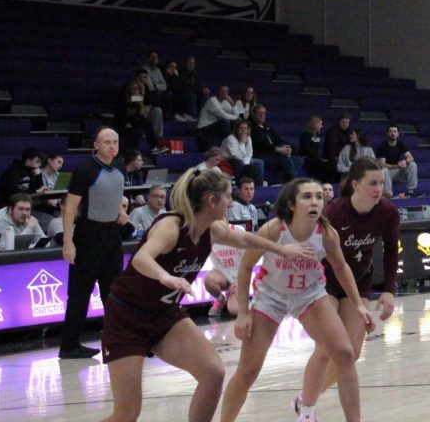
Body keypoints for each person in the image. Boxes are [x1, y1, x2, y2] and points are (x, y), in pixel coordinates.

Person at [98, 168, 314, 422]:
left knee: (213, 373)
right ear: (212, 200)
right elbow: (143, 258)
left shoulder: (213, 230)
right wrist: (165, 276)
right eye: (227, 196)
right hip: (127, 318)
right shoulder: (171, 227)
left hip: (164, 315)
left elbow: (244, 239)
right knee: (127, 414)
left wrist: (281, 249)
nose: (231, 202)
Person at [219, 179, 371, 422]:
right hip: (271, 298)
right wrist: (243, 313)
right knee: (247, 371)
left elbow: (341, 267)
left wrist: (358, 304)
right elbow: (246, 266)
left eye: (319, 197)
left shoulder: (327, 234)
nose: (315, 202)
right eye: (307, 197)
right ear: (291, 204)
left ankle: (324, 415)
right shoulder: (274, 229)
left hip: (309, 295)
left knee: (344, 353)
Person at [296, 157, 400, 422]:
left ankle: (306, 397)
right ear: (355, 184)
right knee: (326, 345)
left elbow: (390, 251)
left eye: (381, 183)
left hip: (359, 283)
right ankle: (307, 412)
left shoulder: (388, 212)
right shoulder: (334, 212)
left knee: (350, 353)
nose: (379, 188)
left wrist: (388, 290)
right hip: (325, 282)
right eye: (372, 183)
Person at [59, 128, 128, 359]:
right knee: (81, 293)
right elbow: (69, 209)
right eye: (107, 142)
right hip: (88, 235)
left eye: (115, 142)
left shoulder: (119, 167)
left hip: (112, 235)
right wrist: (68, 243)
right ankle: (69, 345)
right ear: (96, 145)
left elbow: (114, 192)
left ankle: (115, 339)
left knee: (114, 291)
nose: (112, 146)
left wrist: (120, 211)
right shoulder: (85, 170)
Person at [250, 105, 296, 183]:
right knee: (283, 159)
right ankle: (291, 183)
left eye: (263, 113)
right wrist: (278, 150)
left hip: (273, 153)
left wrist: (288, 147)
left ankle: (289, 181)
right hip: (261, 154)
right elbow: (262, 144)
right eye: (259, 113)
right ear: (254, 114)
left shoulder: (267, 127)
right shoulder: (252, 128)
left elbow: (278, 139)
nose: (262, 115)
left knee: (293, 152)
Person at [375, 124, 419, 197]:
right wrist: (397, 165)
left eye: (395, 131)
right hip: (387, 172)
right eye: (391, 131)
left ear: (398, 134)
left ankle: (411, 190)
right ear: (387, 134)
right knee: (384, 170)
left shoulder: (400, 144)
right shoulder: (382, 146)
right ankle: (388, 194)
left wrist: (405, 161)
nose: (393, 133)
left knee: (412, 164)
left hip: (397, 171)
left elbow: (411, 157)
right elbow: (382, 164)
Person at [196, 85, 238, 151]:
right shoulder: (212, 101)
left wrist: (233, 104)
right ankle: (228, 143)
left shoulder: (226, 102)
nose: (225, 93)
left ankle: (234, 142)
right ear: (219, 92)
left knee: (236, 122)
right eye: (223, 91)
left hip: (214, 127)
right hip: (204, 127)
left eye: (226, 91)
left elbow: (236, 115)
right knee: (225, 121)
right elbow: (223, 115)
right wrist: (237, 118)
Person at [223, 119, 264, 185]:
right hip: (228, 159)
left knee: (259, 162)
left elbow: (250, 153)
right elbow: (235, 155)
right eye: (241, 128)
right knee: (240, 163)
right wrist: (242, 143)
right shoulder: (231, 138)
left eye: (246, 128)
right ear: (237, 129)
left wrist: (246, 164)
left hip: (243, 159)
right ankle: (240, 185)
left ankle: (258, 186)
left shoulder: (248, 138)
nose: (244, 130)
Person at [301, 115, 330, 182]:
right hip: (306, 157)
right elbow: (306, 149)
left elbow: (316, 148)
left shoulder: (316, 135)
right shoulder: (305, 134)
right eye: (320, 124)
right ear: (314, 124)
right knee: (321, 165)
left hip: (314, 158)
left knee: (327, 164)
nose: (321, 126)